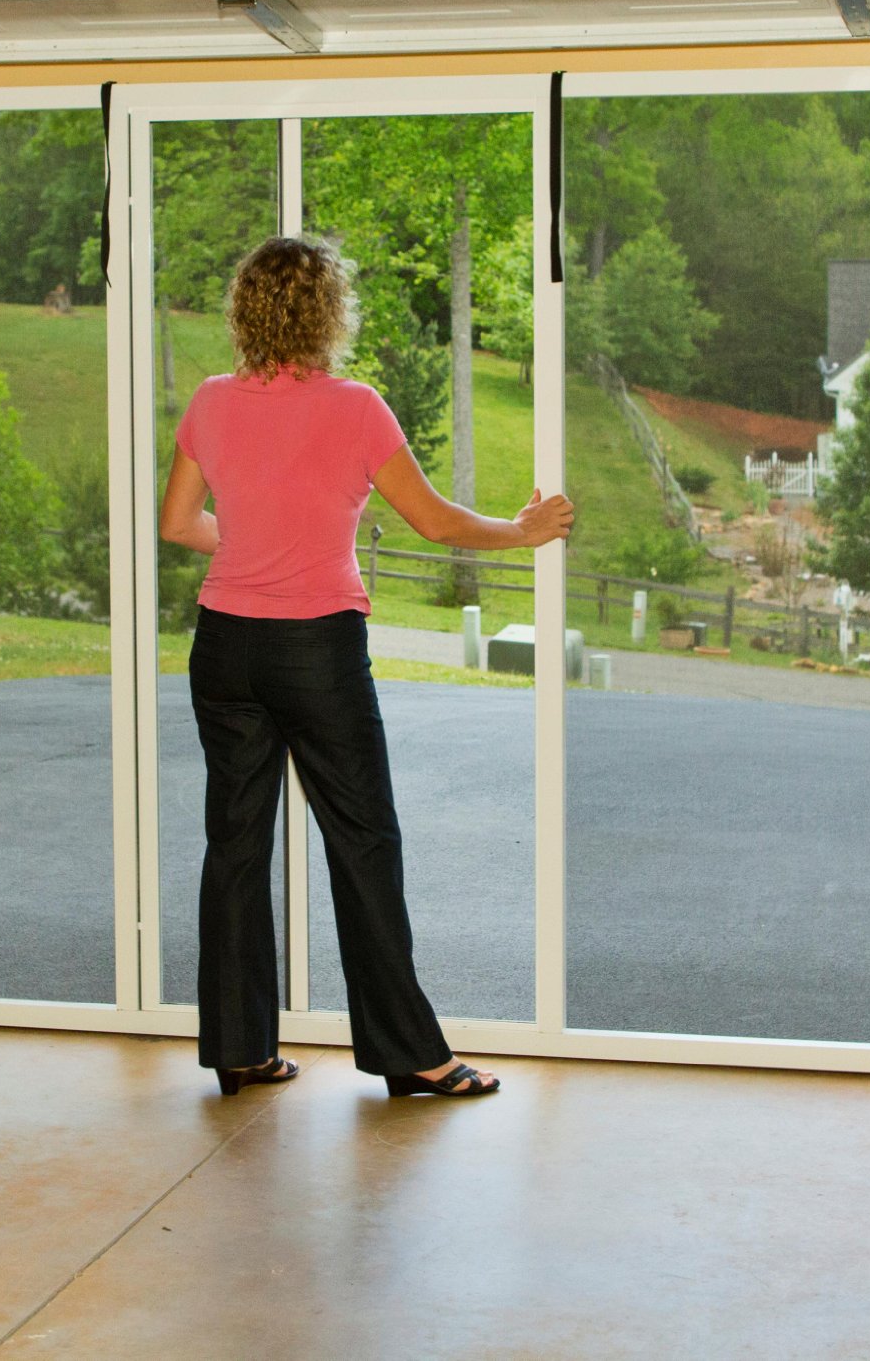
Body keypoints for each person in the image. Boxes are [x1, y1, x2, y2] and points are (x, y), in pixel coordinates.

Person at [159, 236, 573, 1100]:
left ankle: (239, 1047)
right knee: (363, 841)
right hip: (315, 651)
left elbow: (177, 522)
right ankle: (408, 1053)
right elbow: (436, 521)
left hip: (225, 646)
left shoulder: (210, 400)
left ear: (244, 310)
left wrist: (252, 542)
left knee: (235, 845)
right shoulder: (356, 408)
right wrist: (523, 530)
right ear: (329, 313)